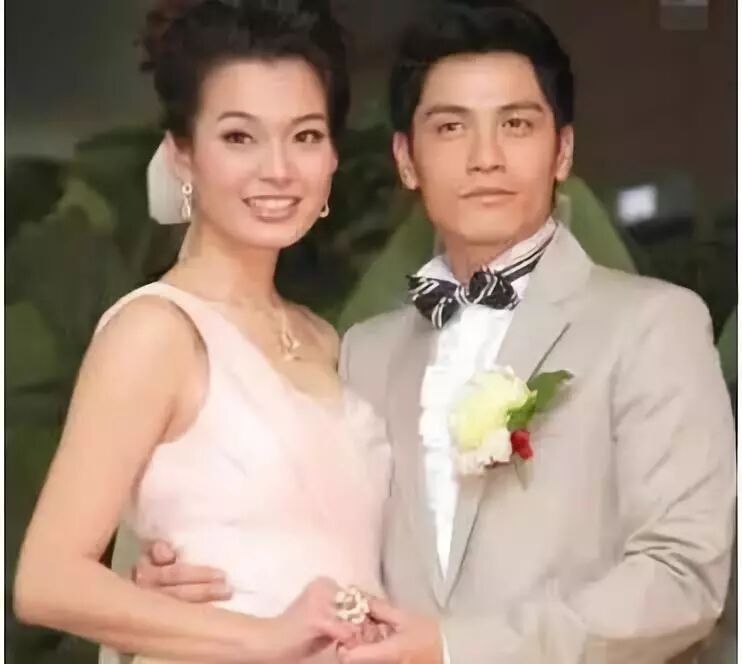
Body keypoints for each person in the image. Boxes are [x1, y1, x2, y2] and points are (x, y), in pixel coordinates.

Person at [132, 1, 737, 662]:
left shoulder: (654, 325)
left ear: (562, 149)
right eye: (450, 127)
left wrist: (456, 647)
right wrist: (178, 583)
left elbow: (685, 577)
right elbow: (308, 532)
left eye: (516, 124)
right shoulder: (363, 351)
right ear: (407, 159)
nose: (486, 158)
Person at [13, 1, 391, 662]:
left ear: (333, 154)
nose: (279, 169)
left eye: (305, 136)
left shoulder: (323, 340)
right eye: (240, 137)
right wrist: (264, 637)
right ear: (182, 154)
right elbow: (46, 581)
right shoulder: (155, 332)